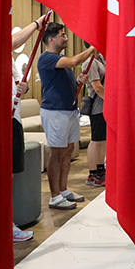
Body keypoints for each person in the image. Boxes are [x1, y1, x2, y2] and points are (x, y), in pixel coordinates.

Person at [38, 22, 95, 210]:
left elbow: (65, 74)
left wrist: (78, 80)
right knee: (57, 152)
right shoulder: (47, 58)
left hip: (69, 111)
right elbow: (73, 62)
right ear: (51, 39)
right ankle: (54, 195)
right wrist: (94, 47)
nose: (66, 38)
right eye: (62, 35)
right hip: (55, 111)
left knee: (68, 150)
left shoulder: (60, 59)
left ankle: (63, 190)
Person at [10, 15, 46, 241]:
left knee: (12, 174)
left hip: (14, 118)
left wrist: (19, 86)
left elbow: (15, 84)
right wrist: (36, 24)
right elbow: (9, 42)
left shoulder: (10, 61)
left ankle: (7, 221)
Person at [83, 43, 106, 187]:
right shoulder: (90, 61)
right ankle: (92, 173)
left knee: (103, 139)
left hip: (105, 106)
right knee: (96, 139)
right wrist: (113, 101)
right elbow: (97, 87)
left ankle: (100, 168)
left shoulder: (101, 58)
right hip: (98, 106)